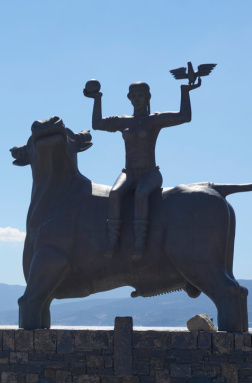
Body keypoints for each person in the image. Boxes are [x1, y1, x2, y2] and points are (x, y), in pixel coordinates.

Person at [84, 79, 202, 258]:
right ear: (129, 98)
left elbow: (184, 116)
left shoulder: (154, 120)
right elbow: (97, 124)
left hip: (150, 173)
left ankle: (140, 242)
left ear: (148, 97)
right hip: (129, 174)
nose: (137, 99)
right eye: (133, 96)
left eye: (140, 96)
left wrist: (185, 92)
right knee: (114, 194)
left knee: (141, 193)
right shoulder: (124, 121)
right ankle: (112, 242)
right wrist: (97, 99)